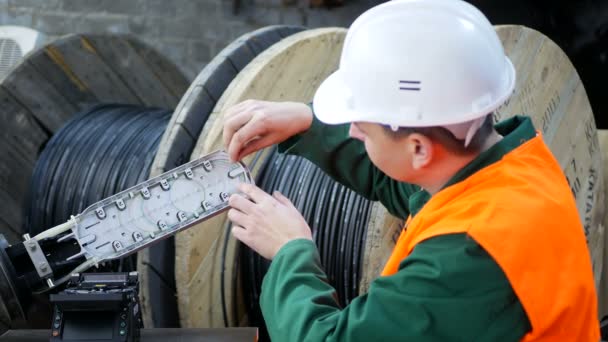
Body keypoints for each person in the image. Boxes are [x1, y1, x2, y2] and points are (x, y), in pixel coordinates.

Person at [222, 0, 600, 340]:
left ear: (419, 147)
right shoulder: (517, 165)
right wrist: (309, 123)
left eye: (363, 128)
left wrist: (291, 251)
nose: (352, 131)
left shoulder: (462, 262)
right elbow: (410, 189)